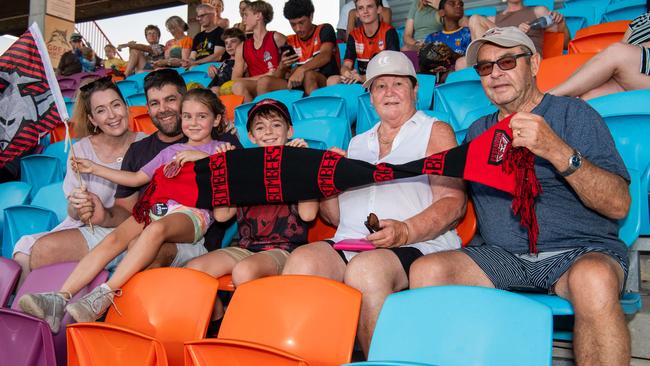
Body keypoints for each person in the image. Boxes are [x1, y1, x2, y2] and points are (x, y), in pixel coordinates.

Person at [410, 27, 632, 366]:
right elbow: (451, 197)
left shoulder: (573, 114)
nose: (495, 73)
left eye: (507, 61)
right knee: (427, 272)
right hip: (503, 256)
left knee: (595, 279)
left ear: (535, 63)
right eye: (485, 67)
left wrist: (556, 150)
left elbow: (618, 203)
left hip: (578, 252)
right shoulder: (479, 132)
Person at [283, 50, 466, 356]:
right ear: (370, 97)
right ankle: (317, 358)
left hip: (418, 242)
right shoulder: (357, 143)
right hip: (352, 241)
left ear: (415, 89)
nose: (389, 92)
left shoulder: (434, 130)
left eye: (398, 84)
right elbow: (334, 217)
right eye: (380, 86)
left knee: (366, 271)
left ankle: (379, 360)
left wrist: (405, 230)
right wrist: (327, 180)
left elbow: (453, 202)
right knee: (302, 262)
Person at [18, 88, 231, 332]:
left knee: (155, 230)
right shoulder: (170, 152)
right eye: (188, 116)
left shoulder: (222, 150)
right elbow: (136, 178)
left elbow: (228, 200)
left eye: (201, 116)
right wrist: (94, 168)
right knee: (115, 237)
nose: (193, 123)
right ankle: (60, 298)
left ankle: (105, 294)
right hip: (156, 208)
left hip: (192, 216)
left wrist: (204, 159)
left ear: (216, 120)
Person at [29, 69, 237, 273]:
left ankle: (112, 299)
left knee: (146, 247)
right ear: (147, 107)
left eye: (171, 100)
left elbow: (240, 190)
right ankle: (69, 301)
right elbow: (126, 210)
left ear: (185, 99)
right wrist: (105, 215)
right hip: (139, 227)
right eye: (155, 103)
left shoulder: (219, 141)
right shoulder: (138, 150)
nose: (163, 109)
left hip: (188, 240)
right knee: (43, 250)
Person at [186, 98, 318, 325]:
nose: (268, 132)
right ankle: (218, 324)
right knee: (194, 269)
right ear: (251, 137)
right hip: (247, 247)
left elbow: (308, 215)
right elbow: (222, 215)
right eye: (260, 127)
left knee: (244, 272)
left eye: (276, 125)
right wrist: (224, 169)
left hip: (285, 249)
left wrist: (303, 166)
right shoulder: (243, 167)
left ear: (290, 131)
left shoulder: (299, 162)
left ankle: (248, 329)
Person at [12, 77, 145, 286]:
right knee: (23, 249)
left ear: (125, 106)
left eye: (116, 105)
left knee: (43, 251)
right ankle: (23, 312)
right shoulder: (81, 149)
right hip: (84, 225)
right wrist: (78, 205)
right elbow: (73, 212)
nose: (112, 115)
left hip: (122, 228)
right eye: (101, 110)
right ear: (92, 120)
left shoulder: (145, 144)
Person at [550, 12, 650, 100]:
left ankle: (544, 98)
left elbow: (621, 52)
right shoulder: (641, 20)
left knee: (616, 51)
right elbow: (624, 48)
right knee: (590, 96)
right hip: (635, 74)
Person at [255, 0, 339, 95]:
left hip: (326, 83)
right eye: (293, 24)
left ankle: (315, 109)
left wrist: (301, 69)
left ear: (311, 16)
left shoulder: (324, 29)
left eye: (301, 22)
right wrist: (282, 67)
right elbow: (280, 77)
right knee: (264, 82)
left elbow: (325, 55)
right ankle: (265, 109)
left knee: (308, 75)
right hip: (298, 85)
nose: (298, 29)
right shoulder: (289, 41)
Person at [327, 0, 399, 86]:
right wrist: (347, 73)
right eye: (361, 8)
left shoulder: (389, 32)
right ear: (357, 13)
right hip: (361, 80)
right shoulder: (354, 35)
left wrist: (364, 77)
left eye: (369, 6)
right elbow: (346, 65)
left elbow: (392, 66)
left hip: (383, 78)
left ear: (379, 9)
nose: (365, 11)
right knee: (332, 80)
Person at [231, 0, 287, 102]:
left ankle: (263, 113)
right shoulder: (242, 47)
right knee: (237, 86)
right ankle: (254, 113)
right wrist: (265, 75)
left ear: (258, 16)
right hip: (258, 83)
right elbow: (235, 79)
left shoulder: (277, 38)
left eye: (246, 15)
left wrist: (270, 76)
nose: (243, 19)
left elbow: (292, 63)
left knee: (264, 82)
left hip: (278, 83)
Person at [467, 0, 569, 55]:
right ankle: (486, 63)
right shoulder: (491, 20)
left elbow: (565, 44)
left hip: (527, 55)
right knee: (474, 18)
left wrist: (561, 23)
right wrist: (514, 32)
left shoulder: (538, 11)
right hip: (500, 54)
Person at [208, 27, 246, 96]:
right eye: (226, 43)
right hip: (212, 90)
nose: (229, 45)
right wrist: (213, 68)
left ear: (242, 43)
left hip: (228, 94)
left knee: (214, 90)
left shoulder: (244, 62)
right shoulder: (225, 62)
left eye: (233, 41)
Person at [187, 3, 227, 69]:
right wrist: (188, 63)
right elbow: (192, 57)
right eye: (198, 16)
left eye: (202, 15)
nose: (199, 19)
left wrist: (195, 63)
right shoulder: (198, 36)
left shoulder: (221, 32)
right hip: (197, 68)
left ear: (213, 15)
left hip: (214, 68)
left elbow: (217, 57)